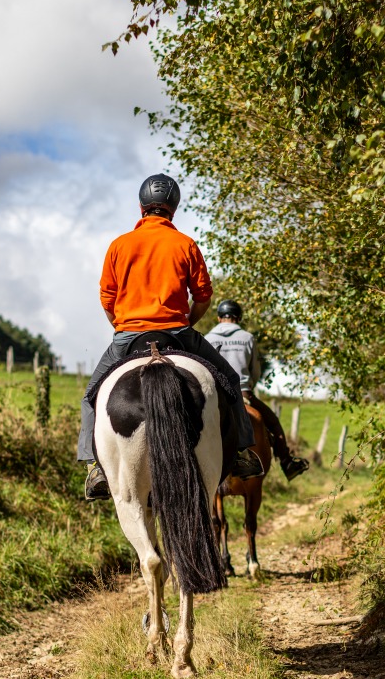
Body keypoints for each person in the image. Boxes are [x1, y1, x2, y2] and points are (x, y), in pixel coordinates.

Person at [79, 174, 264, 500]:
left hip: (128, 335)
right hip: (177, 333)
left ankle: (95, 467)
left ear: (141, 207)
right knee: (231, 381)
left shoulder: (119, 246)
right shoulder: (186, 244)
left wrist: (122, 327)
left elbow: (107, 299)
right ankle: (240, 455)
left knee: (92, 393)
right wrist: (187, 322)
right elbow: (203, 296)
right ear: (173, 210)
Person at [204, 301, 311, 480]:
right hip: (243, 392)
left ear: (218, 317)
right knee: (274, 423)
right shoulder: (247, 337)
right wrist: (250, 385)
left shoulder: (207, 338)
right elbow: (255, 370)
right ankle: (287, 463)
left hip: (215, 394)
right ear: (238, 317)